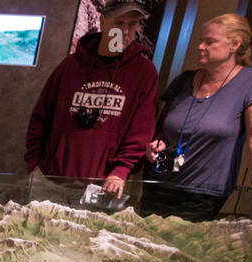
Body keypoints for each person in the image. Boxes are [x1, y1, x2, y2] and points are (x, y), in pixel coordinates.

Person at [142, 14, 252, 221]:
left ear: (234, 45)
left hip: (203, 193)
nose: (200, 47)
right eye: (201, 41)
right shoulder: (183, 80)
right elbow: (162, 129)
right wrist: (156, 144)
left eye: (210, 42)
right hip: (159, 183)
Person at [25, 1, 158, 198]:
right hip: (50, 180)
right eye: (119, 23)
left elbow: (141, 130)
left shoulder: (144, 72)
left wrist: (121, 170)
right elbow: (41, 115)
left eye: (132, 24)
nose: (126, 31)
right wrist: (34, 162)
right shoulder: (70, 65)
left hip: (104, 186)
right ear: (103, 22)